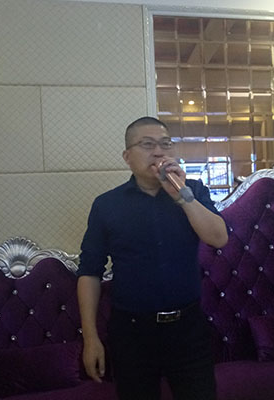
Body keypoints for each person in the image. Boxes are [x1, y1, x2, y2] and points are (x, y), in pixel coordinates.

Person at [76, 116, 228, 400]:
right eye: (147, 145)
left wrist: (182, 196)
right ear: (127, 157)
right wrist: (90, 338)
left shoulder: (193, 191)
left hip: (188, 328)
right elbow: (89, 272)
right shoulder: (107, 205)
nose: (159, 152)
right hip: (132, 333)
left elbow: (219, 238)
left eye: (166, 144)